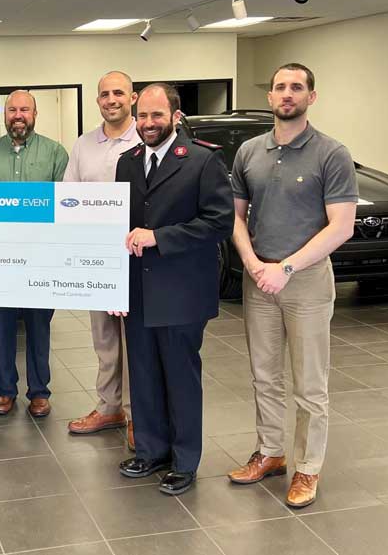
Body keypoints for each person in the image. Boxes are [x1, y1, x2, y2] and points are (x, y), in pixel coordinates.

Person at [227, 63, 357, 508]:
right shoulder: (249, 152)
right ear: (269, 96)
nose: (287, 94)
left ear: (310, 97)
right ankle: (270, 452)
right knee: (264, 375)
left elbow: (342, 226)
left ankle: (308, 467)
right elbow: (236, 217)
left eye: (296, 87)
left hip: (306, 282)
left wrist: (286, 268)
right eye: (280, 87)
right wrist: (251, 262)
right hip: (259, 279)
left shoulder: (331, 153)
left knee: (310, 384)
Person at [114, 83, 234, 496]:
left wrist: (159, 237)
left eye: (157, 115)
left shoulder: (202, 160)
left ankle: (184, 461)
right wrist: (112, 287)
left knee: (181, 378)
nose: (148, 123)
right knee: (143, 373)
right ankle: (151, 450)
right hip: (138, 291)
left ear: (175, 116)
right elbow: (119, 227)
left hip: (182, 292)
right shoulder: (127, 162)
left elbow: (219, 222)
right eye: (142, 116)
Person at [0, 90, 69, 418]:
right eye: (12, 109)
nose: (18, 115)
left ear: (35, 114)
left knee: (38, 326)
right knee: (1, 327)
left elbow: (65, 207)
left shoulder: (55, 153)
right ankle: (5, 390)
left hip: (41, 258)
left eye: (24, 109)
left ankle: (39, 392)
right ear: (5, 115)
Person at [64, 71, 140, 448]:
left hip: (138, 256)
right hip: (98, 257)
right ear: (98, 101)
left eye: (119, 93)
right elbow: (69, 198)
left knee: (136, 340)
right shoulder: (83, 145)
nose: (112, 100)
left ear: (132, 98)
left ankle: (137, 414)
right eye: (105, 94)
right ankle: (109, 407)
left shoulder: (146, 139)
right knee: (105, 339)